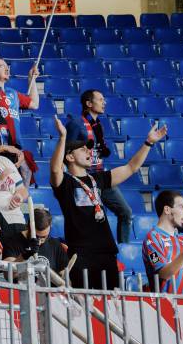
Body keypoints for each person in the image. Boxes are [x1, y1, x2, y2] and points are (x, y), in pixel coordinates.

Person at [49, 116, 168, 290]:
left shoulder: (98, 179)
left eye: (88, 148)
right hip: (81, 254)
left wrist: (148, 143)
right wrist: (62, 137)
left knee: (111, 302)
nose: (89, 152)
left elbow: (131, 168)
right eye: (82, 149)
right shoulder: (65, 183)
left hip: (106, 252)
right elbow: (55, 169)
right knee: (85, 302)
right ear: (70, 156)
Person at [65, 89, 133, 245]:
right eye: (100, 99)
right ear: (89, 103)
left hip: (101, 176)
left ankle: (122, 251)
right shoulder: (76, 124)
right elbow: (66, 151)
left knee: (126, 212)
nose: (104, 102)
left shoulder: (98, 125)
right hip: (84, 179)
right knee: (96, 220)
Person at [5, 208, 71, 277]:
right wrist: (24, 256)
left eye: (44, 237)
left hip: (48, 284)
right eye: (36, 236)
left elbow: (65, 274)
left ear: (50, 226)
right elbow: (8, 275)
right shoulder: (13, 242)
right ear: (28, 227)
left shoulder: (55, 244)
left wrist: (62, 276)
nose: (40, 241)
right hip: (23, 283)